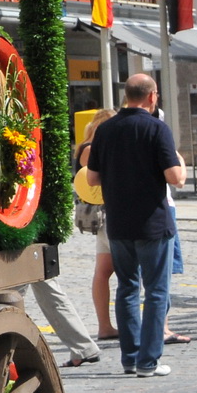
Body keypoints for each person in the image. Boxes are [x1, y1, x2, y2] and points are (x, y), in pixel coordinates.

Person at [87, 73, 187, 378]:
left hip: (118, 221)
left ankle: (130, 358)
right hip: (153, 222)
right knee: (157, 291)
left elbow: (91, 178)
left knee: (127, 288)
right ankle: (149, 361)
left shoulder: (104, 130)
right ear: (152, 96)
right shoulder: (157, 128)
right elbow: (176, 178)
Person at [75, 109, 118, 341]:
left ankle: (106, 326)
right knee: (120, 270)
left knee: (104, 270)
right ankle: (107, 324)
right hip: (106, 213)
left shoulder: (88, 146)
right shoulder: (91, 149)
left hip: (104, 214)